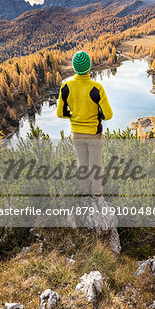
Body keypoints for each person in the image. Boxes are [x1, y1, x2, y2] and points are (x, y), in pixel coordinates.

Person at [56, 50, 113, 200]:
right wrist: (97, 115)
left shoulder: (66, 86)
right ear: (89, 67)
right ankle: (97, 196)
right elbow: (108, 115)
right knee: (96, 166)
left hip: (76, 133)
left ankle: (84, 194)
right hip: (94, 134)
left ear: (75, 68)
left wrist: (73, 115)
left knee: (82, 165)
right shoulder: (96, 87)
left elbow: (60, 113)